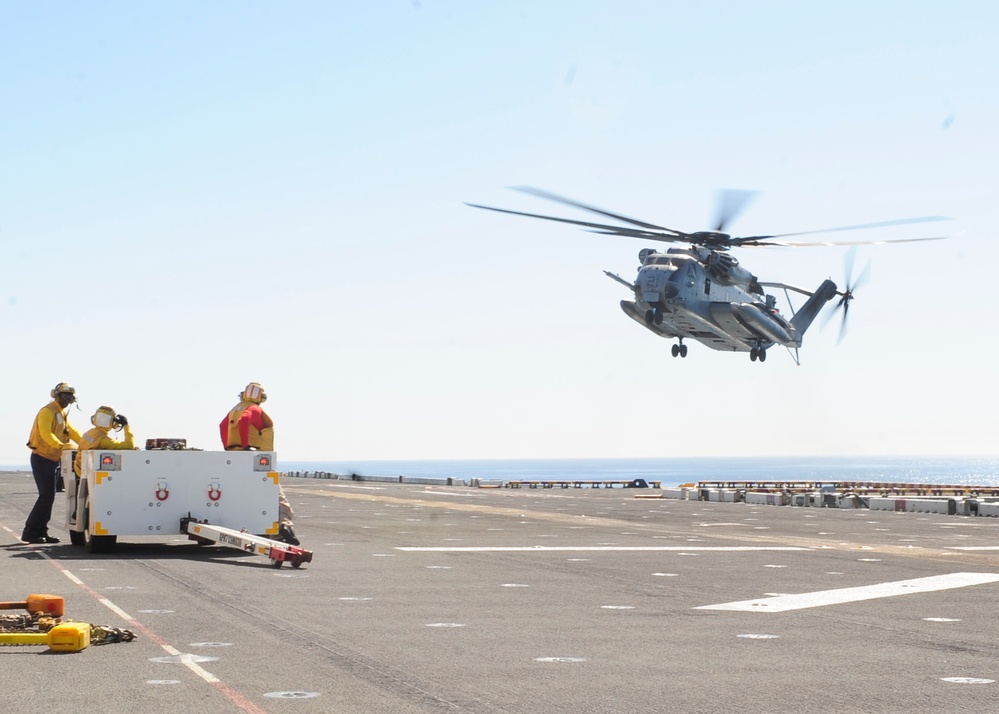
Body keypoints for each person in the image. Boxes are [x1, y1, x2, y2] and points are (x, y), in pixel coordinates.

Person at [219, 382, 299, 545]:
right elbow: (244, 421)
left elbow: (222, 425)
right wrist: (247, 445)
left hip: (235, 455)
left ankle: (273, 533)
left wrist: (228, 446)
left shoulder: (236, 408)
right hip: (255, 456)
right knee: (276, 494)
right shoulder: (254, 409)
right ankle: (284, 524)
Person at [22, 382, 82, 544]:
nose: (66, 399)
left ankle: (41, 531)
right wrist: (61, 446)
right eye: (64, 396)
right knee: (46, 496)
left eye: (69, 397)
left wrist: (86, 444)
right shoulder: (47, 411)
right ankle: (30, 532)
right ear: (56, 395)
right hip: (42, 458)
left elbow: (73, 432)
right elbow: (46, 433)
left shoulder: (60, 413)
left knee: (49, 497)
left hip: (52, 460)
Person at [74, 406, 137, 477]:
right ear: (112, 422)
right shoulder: (103, 440)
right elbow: (129, 446)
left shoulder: (89, 433)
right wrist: (126, 426)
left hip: (80, 468)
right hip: (89, 473)